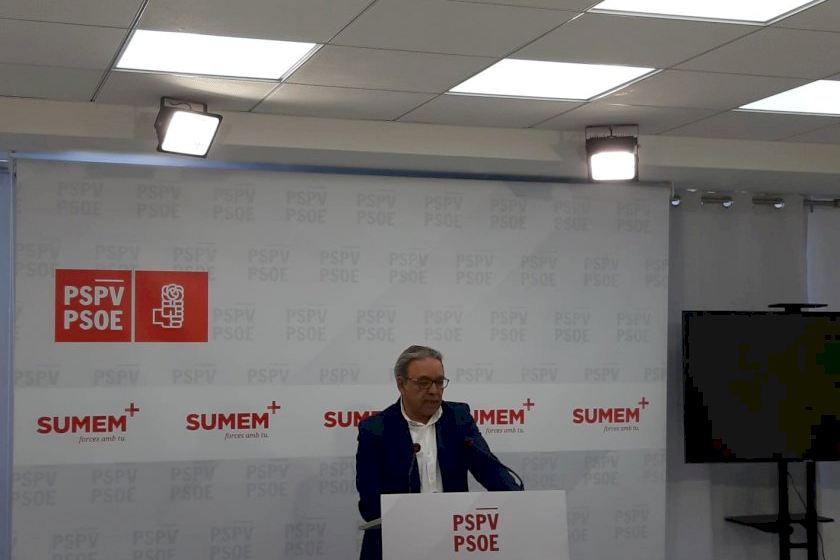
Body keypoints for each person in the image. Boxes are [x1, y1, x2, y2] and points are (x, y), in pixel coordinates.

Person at [355, 345, 521, 560]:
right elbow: (369, 503)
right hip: (396, 542)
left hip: (452, 541)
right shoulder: (375, 429)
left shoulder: (458, 418)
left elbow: (490, 470)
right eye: (424, 382)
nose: (434, 391)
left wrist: (518, 503)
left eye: (439, 382)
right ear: (401, 384)